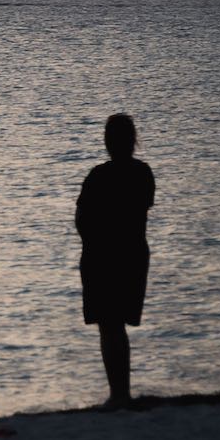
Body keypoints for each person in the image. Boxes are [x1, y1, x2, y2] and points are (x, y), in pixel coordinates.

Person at [75, 114, 155, 409]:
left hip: (103, 257)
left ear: (108, 142)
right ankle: (122, 392)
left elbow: (81, 220)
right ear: (133, 140)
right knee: (116, 325)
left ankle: (118, 394)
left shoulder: (98, 176)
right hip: (133, 254)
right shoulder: (143, 173)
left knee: (109, 327)